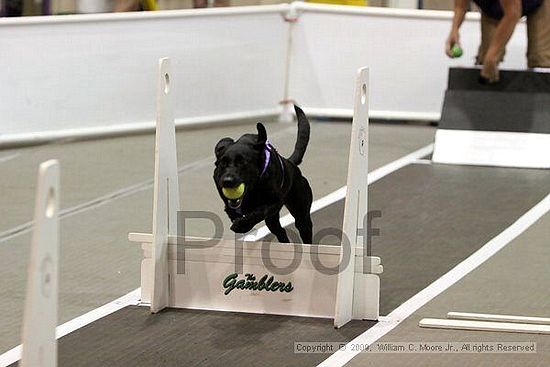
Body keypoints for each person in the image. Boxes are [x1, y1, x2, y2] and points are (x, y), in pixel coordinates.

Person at [446, 0, 550, 82]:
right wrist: (454, 30)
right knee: (485, 63)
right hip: (494, 7)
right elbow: (460, 6)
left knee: (540, 58)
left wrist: (492, 57)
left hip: (539, 3)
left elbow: (513, 13)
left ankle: (545, 104)